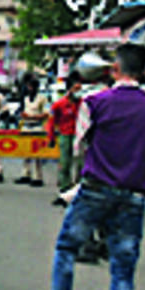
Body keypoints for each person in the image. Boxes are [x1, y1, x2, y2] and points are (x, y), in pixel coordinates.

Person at [26, 43, 145, 290]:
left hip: (96, 189)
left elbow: (83, 141)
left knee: (67, 249)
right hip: (134, 195)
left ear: (115, 69)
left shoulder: (94, 102)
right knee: (123, 271)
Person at [46, 72, 84, 206]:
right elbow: (51, 122)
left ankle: (79, 190)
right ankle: (64, 190)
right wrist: (51, 137)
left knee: (81, 164)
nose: (78, 92)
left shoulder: (84, 104)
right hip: (65, 135)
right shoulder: (59, 104)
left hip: (81, 136)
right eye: (76, 89)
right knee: (65, 164)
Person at [15, 77, 49, 187]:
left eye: (31, 86)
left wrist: (33, 116)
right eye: (28, 86)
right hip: (26, 126)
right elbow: (21, 111)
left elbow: (46, 113)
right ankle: (25, 174)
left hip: (37, 126)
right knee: (25, 152)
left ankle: (37, 176)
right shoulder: (25, 99)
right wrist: (23, 115)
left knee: (36, 154)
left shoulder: (42, 99)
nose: (30, 88)